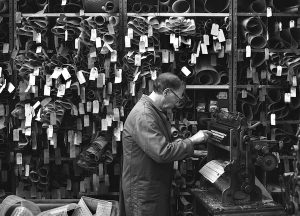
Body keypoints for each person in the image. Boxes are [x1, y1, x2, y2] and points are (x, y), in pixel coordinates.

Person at [120, 73, 212, 216]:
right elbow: (162, 152)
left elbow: (160, 144)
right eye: (178, 96)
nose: (178, 102)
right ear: (166, 92)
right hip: (144, 192)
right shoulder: (144, 115)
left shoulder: (154, 111)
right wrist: (192, 140)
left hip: (152, 187)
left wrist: (192, 151)